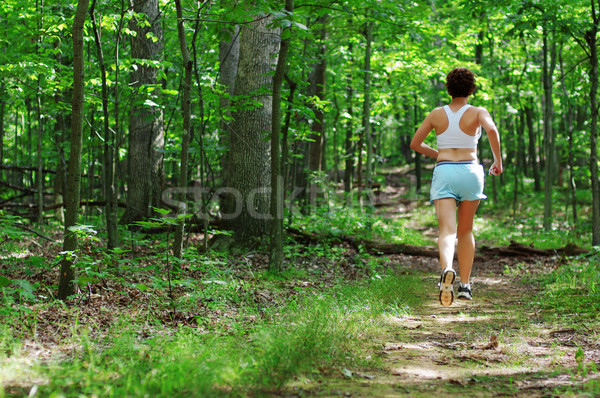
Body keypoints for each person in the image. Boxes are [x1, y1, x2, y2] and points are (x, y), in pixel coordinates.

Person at [410, 67, 502, 306]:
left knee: (447, 231)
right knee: (466, 231)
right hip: (471, 172)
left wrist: (438, 154)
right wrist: (497, 161)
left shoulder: (436, 114)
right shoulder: (478, 112)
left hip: (445, 172)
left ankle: (446, 272)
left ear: (448, 89)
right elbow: (492, 130)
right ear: (471, 89)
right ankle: (465, 286)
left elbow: (416, 143)